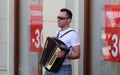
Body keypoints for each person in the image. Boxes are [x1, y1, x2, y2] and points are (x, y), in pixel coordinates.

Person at [44, 8, 80, 75]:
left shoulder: (73, 34)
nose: (58, 20)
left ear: (69, 20)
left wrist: (65, 55)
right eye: (58, 17)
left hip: (63, 68)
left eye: (61, 18)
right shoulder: (58, 32)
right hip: (51, 66)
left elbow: (77, 54)